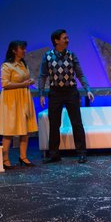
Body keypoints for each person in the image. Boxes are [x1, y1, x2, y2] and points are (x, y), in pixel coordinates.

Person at [38, 29, 95, 164]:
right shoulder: (48, 56)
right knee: (54, 124)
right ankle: (54, 154)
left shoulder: (71, 55)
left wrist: (87, 89)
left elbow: (80, 74)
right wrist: (41, 93)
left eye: (67, 38)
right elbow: (43, 76)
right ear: (56, 41)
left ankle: (81, 153)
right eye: (65, 38)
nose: (67, 40)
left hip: (71, 92)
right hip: (55, 93)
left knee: (77, 123)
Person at [0, 40, 38, 169]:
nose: (25, 51)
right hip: (11, 101)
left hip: (23, 98)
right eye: (22, 48)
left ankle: (23, 157)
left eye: (25, 48)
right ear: (14, 50)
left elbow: (25, 79)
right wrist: (23, 84)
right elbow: (5, 84)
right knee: (9, 131)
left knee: (25, 130)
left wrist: (30, 81)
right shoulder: (7, 66)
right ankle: (5, 159)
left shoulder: (23, 64)